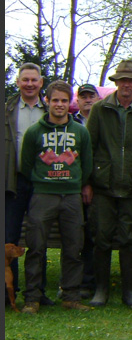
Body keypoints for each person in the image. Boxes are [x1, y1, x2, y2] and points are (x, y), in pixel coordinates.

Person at [86, 60, 132, 309]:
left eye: (131, 81)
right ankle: (101, 290)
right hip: (103, 185)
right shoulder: (99, 110)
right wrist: (88, 182)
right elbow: (89, 147)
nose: (127, 84)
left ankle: (129, 291)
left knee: (129, 240)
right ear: (116, 83)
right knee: (102, 238)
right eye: (122, 80)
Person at [19, 81, 93, 314]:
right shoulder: (35, 132)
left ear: (69, 102)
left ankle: (71, 295)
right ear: (47, 102)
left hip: (71, 196)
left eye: (63, 100)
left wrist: (78, 184)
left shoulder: (80, 131)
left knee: (73, 247)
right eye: (55, 100)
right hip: (43, 195)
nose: (59, 105)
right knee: (36, 247)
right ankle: (32, 298)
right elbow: (27, 163)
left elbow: (87, 163)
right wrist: (42, 181)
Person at [5, 63, 48, 304]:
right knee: (8, 237)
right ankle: (9, 290)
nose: (30, 84)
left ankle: (37, 291)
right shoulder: (7, 109)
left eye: (34, 80)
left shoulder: (50, 109)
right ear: (18, 82)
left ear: (41, 82)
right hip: (14, 182)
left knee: (38, 236)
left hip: (42, 182)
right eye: (25, 80)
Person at [73, 83, 99, 299]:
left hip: (101, 185)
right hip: (74, 185)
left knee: (94, 234)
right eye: (84, 96)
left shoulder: (104, 121)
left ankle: (92, 280)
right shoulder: (70, 122)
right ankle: (75, 281)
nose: (88, 100)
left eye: (92, 96)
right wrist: (83, 183)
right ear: (78, 100)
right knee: (77, 235)